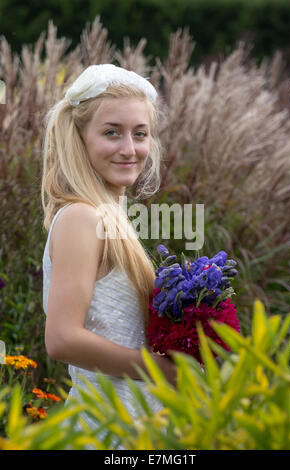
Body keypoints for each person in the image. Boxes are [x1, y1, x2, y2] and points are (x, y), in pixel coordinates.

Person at [41, 64, 176, 448]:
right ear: (79, 136)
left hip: (134, 423)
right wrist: (164, 372)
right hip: (106, 430)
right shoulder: (82, 216)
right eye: (111, 133)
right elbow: (63, 339)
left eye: (140, 134)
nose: (129, 149)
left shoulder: (109, 215)